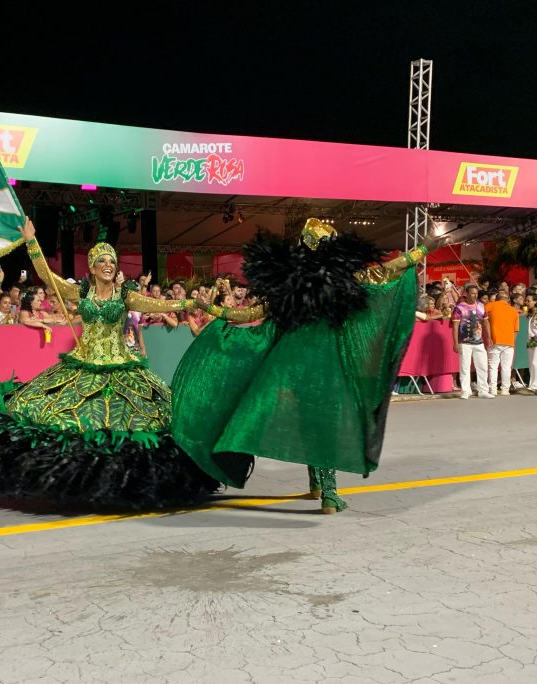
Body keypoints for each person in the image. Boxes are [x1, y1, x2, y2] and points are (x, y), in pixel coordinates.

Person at [0, 219, 212, 509]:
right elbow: (46, 275)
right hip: (81, 365)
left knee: (135, 419)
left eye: (111, 261)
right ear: (90, 268)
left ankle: (119, 479)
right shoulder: (81, 292)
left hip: (122, 366)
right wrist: (31, 241)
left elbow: (163, 306)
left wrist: (193, 305)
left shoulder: (125, 295)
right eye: (101, 260)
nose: (107, 265)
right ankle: (71, 478)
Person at [171, 220, 427, 513]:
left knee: (308, 421)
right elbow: (384, 271)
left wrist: (212, 310)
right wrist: (418, 253)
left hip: (290, 367)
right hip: (327, 364)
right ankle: (329, 493)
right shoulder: (343, 278)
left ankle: (316, 486)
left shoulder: (287, 283)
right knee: (323, 422)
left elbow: (250, 313)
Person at [452, 283, 490, 399]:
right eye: (472, 293)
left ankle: (483, 390)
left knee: (482, 366)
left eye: (476, 293)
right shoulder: (459, 308)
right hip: (465, 342)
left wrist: (489, 337)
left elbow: (486, 322)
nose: (475, 295)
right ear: (466, 294)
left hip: (479, 342)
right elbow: (455, 326)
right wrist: (455, 342)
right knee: (465, 367)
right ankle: (466, 391)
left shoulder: (481, 305)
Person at [483, 288, 520, 396]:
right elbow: (516, 330)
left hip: (494, 340)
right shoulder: (514, 311)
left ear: (496, 299)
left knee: (493, 366)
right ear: (508, 300)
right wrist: (512, 341)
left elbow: (482, 318)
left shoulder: (490, 306)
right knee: (506, 367)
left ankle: (493, 389)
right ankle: (505, 390)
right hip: (509, 342)